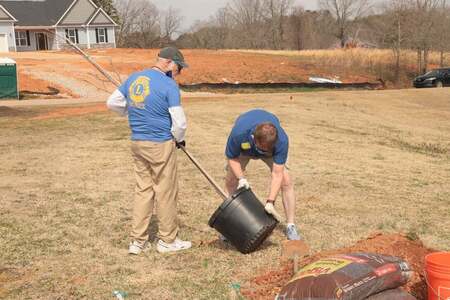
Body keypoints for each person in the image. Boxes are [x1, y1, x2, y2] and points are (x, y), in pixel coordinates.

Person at [106, 47, 191, 254]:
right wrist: (179, 139)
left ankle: (138, 241)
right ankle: (167, 240)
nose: (178, 72)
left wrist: (129, 110)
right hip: (160, 143)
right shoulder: (169, 85)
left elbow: (113, 102)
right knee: (165, 191)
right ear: (169, 63)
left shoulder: (134, 78)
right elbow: (179, 123)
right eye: (178, 68)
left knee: (143, 190)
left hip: (138, 142)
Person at [224, 109, 301, 240]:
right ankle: (229, 224)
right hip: (244, 149)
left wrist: (270, 201)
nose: (263, 152)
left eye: (268, 148)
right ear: (254, 138)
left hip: (269, 149)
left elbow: (278, 174)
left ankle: (291, 226)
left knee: (286, 180)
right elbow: (232, 157)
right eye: (262, 148)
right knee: (231, 180)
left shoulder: (281, 141)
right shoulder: (239, 133)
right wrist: (241, 178)